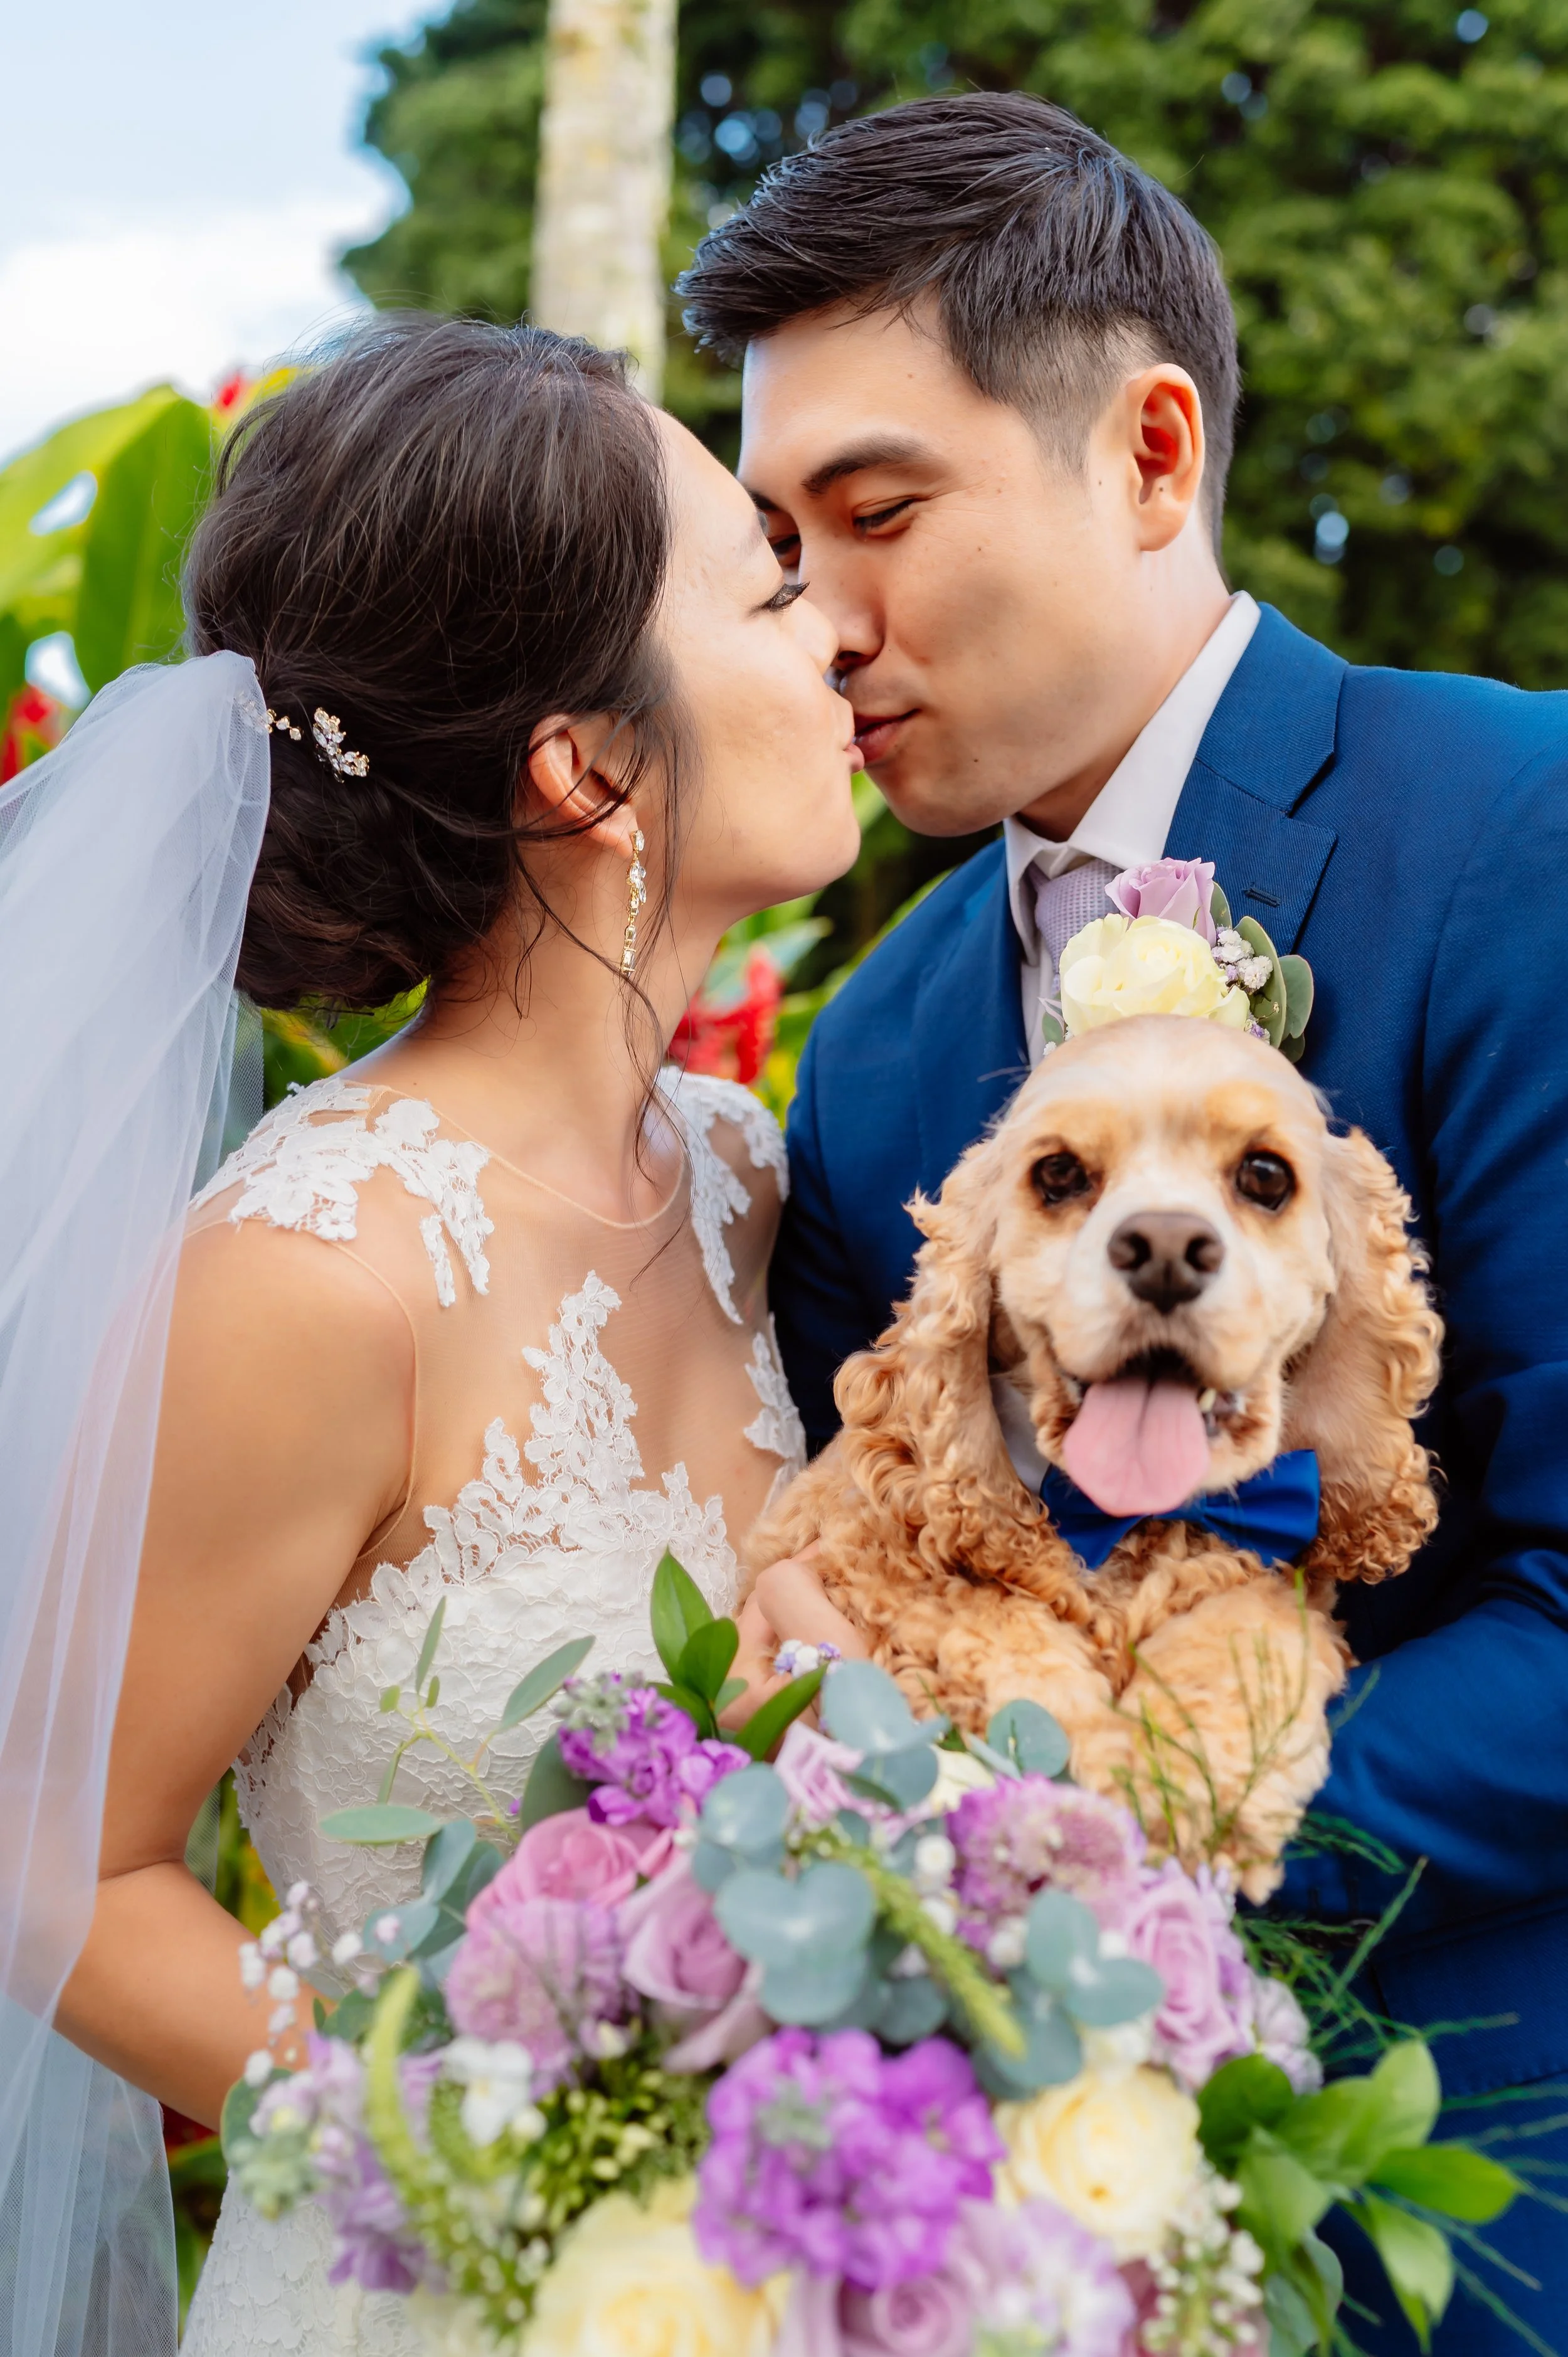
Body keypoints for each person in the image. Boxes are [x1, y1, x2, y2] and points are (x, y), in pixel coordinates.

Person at [681, 91, 1568, 2348]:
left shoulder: (1514, 827)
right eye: (782, 544)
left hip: (1471, 2188)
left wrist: (1086, 1846)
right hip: (1009, 2238)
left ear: (1152, 450)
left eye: (878, 511)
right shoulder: (867, 1054)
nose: (830, 618)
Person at [6, 315, 861, 2356]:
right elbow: (56, 1878)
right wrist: (517, 2159)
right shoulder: (313, 1268)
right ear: (583, 764)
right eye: (765, 582)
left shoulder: (761, 1179)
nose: (836, 632)